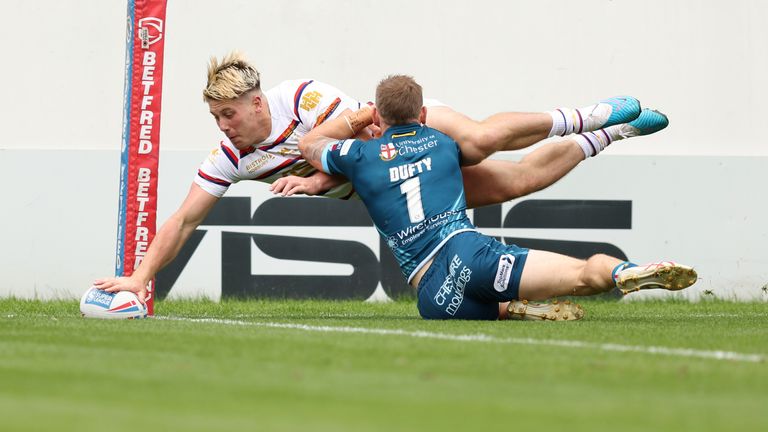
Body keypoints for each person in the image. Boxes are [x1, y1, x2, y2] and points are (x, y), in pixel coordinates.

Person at [93, 51, 663, 303]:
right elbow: (184, 218)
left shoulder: (302, 97)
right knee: (514, 184)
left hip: (398, 128)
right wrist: (140, 276)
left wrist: (317, 182)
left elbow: (366, 132)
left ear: (258, 103)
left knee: (478, 140)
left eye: (229, 114)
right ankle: (611, 136)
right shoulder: (231, 158)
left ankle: (588, 114)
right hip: (393, 179)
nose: (223, 127)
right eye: (216, 118)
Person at [297, 74, 697, 320]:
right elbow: (484, 146)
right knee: (582, 275)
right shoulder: (441, 142)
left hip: (433, 295)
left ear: (378, 121)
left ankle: (516, 310)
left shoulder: (357, 156)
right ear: (422, 116)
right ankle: (622, 271)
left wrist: (360, 118)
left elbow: (311, 143)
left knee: (476, 306)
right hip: (471, 254)